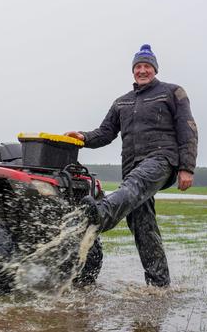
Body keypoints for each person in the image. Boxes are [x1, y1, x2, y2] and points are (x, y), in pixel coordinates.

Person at [65, 44, 198, 287]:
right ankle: (159, 285)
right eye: (138, 66)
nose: (143, 70)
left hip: (162, 159)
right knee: (142, 223)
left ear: (155, 69)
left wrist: (187, 167)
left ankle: (101, 214)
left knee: (135, 185)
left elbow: (187, 129)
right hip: (132, 166)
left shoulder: (172, 92)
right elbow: (105, 133)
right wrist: (83, 137)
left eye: (147, 66)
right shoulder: (122, 103)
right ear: (133, 71)